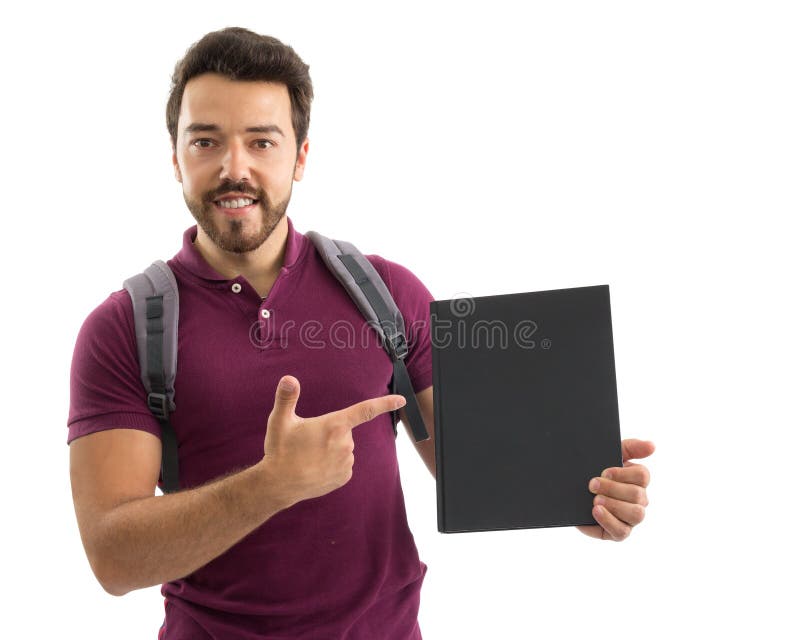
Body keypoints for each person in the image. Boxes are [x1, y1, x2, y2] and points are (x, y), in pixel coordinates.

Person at [67, 27, 655, 639]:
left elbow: (485, 472)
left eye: (261, 142)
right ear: (176, 158)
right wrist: (271, 485)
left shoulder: (387, 293)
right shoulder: (121, 329)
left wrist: (581, 495)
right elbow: (113, 559)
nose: (233, 167)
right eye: (206, 141)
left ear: (299, 156)